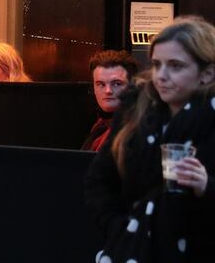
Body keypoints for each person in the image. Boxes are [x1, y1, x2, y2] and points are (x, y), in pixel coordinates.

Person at [85, 17, 215, 262]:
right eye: (156, 64)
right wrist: (121, 229)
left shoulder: (209, 121)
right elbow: (100, 180)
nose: (161, 75)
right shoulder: (136, 109)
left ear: (206, 73)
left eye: (175, 66)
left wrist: (206, 187)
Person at [82, 50, 137, 152]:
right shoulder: (100, 125)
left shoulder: (136, 129)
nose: (108, 91)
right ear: (93, 87)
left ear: (132, 87)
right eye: (101, 84)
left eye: (116, 84)